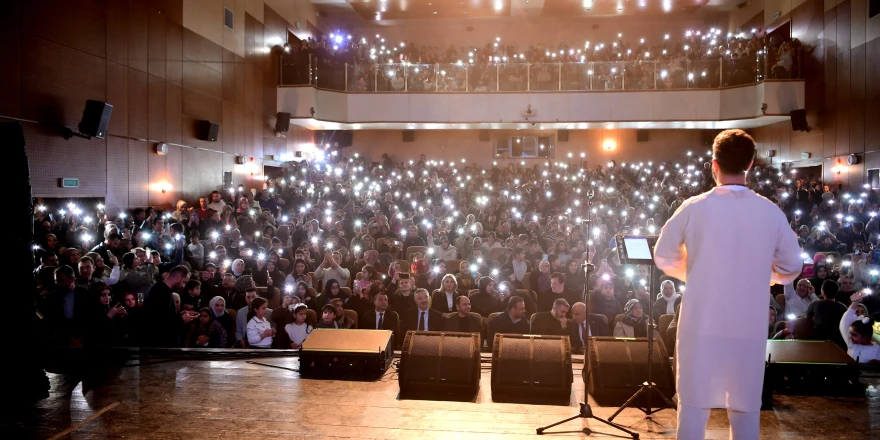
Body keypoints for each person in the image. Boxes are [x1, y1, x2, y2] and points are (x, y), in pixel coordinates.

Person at [654, 129, 803, 440]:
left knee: (693, 407)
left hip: (700, 324)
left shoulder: (694, 207)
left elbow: (663, 255)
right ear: (750, 165)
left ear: (714, 164)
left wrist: (697, 271)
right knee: (744, 409)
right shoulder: (770, 211)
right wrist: (761, 277)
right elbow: (791, 266)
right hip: (747, 327)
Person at [142, 266, 198, 347]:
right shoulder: (160, 293)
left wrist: (179, 315)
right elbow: (159, 324)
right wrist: (182, 319)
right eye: (184, 282)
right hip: (160, 346)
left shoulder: (162, 290)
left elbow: (165, 316)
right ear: (178, 277)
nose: (183, 286)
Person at [838, 291, 880, 363]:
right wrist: (854, 303)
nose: (850, 337)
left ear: (865, 337)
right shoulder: (852, 344)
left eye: (854, 335)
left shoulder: (877, 349)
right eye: (856, 312)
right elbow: (844, 322)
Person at [806, 279, 848, 349]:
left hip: (817, 340)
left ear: (822, 292)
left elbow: (808, 320)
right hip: (838, 342)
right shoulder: (843, 307)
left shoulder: (815, 304)